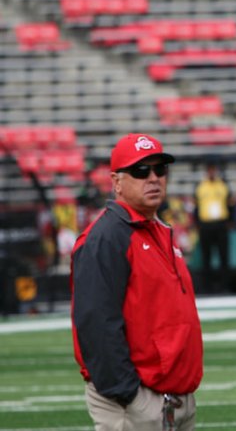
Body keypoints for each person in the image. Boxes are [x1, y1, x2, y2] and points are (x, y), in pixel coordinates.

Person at [70, 133, 202, 430]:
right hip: (137, 402)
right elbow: (96, 323)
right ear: (116, 182)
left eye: (160, 170)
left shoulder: (158, 229)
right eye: (141, 171)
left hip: (173, 398)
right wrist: (129, 395)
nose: (153, 178)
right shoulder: (106, 238)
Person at [195, 162, 232, 290]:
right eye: (209, 170)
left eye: (213, 170)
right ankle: (207, 287)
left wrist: (229, 222)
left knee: (224, 256)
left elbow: (230, 203)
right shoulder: (200, 186)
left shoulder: (223, 185)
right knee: (206, 257)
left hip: (220, 224)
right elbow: (196, 206)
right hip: (206, 225)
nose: (211, 172)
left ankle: (225, 286)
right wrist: (198, 223)